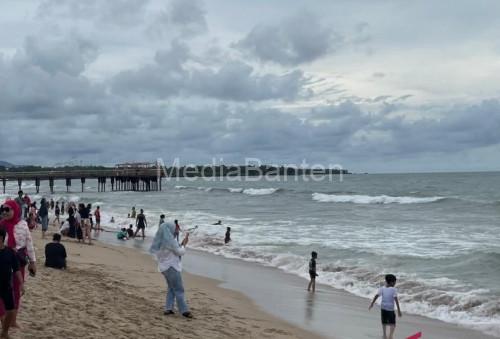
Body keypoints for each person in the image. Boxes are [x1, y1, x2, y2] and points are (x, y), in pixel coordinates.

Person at [0, 200, 37, 329]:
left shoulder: (23, 225)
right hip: (3, 262)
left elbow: (29, 243)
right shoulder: (1, 225)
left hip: (18, 262)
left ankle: (13, 321)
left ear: (15, 210)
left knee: (16, 290)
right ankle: (4, 317)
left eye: (7, 209)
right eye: (3, 209)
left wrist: (33, 262)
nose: (4, 212)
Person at [150, 222, 192, 318]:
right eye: (174, 229)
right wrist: (184, 245)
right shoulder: (170, 242)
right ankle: (184, 311)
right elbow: (180, 252)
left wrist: (181, 244)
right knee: (179, 289)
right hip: (172, 267)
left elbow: (173, 250)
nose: (176, 231)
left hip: (164, 268)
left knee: (171, 288)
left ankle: (168, 308)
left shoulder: (159, 241)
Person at [0, 228, 23, 339]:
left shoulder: (10, 252)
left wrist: (21, 284)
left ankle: (4, 332)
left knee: (11, 310)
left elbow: (17, 269)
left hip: (6, 286)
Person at [369, 274, 402, 339]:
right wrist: (399, 310)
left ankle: (384, 335)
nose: (395, 283)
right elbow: (396, 300)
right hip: (390, 309)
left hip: (383, 308)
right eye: (395, 282)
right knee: (392, 323)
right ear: (392, 282)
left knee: (384, 322)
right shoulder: (393, 289)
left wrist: (372, 303)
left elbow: (376, 296)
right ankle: (390, 336)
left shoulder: (382, 288)